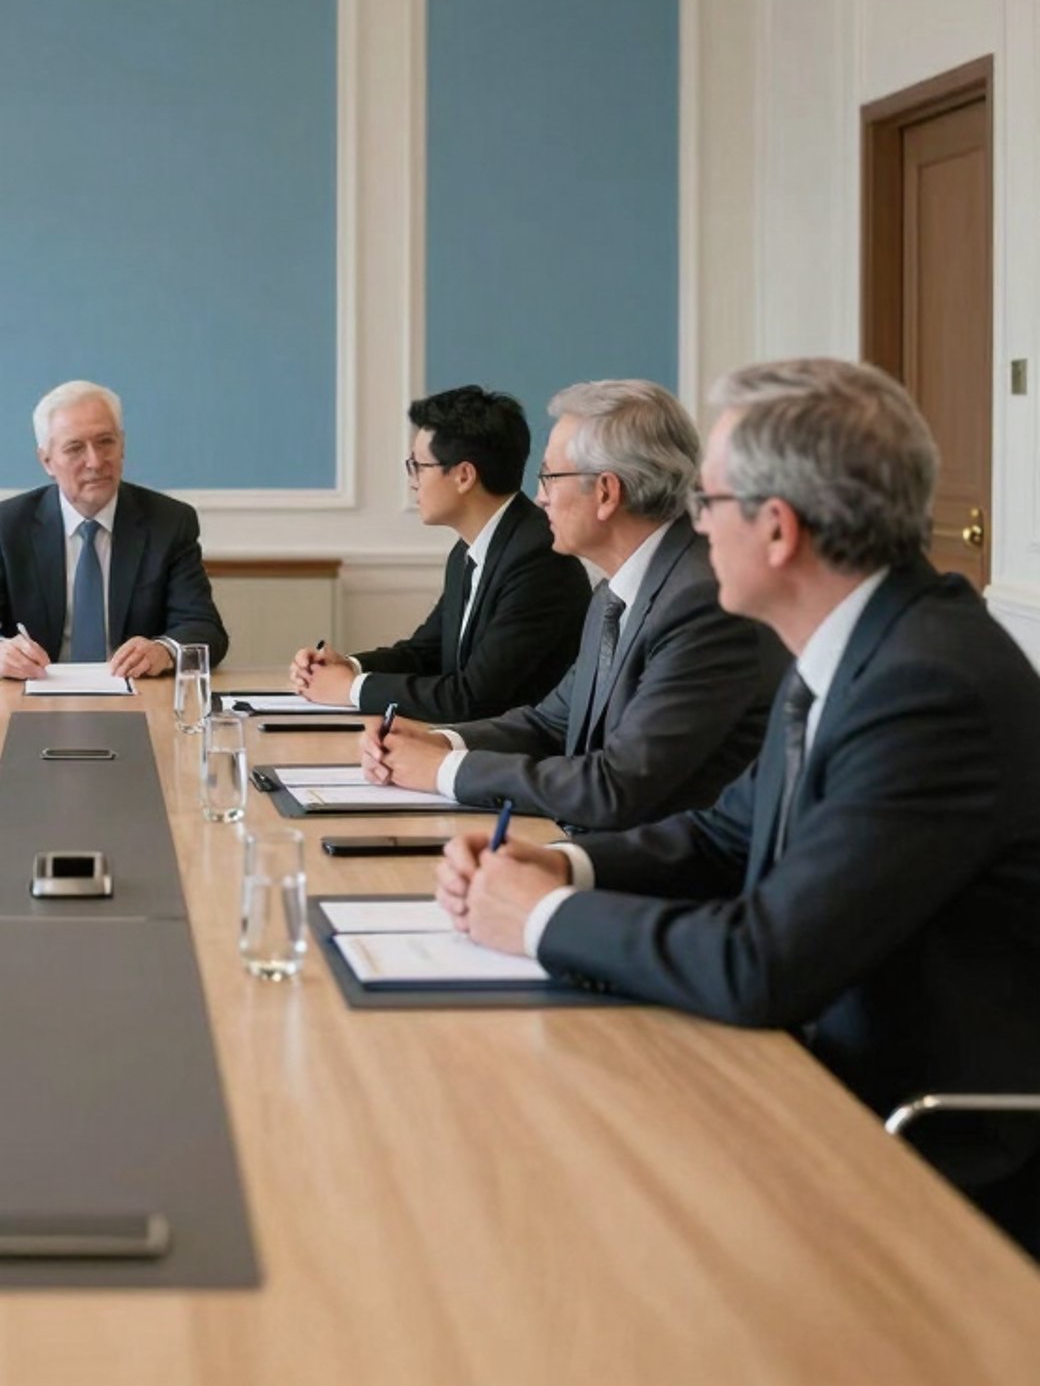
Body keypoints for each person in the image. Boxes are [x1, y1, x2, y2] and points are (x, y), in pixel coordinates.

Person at [439, 359, 1040, 1253]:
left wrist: (541, 918)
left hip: (915, 1154)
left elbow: (764, 963)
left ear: (778, 530)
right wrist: (562, 863)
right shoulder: (860, 642)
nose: (692, 525)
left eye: (708, 503)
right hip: (805, 1080)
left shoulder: (928, 687)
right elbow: (727, 833)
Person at [361, 379, 784, 829]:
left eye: (548, 476)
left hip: (659, 876)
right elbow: (551, 724)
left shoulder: (701, 603)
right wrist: (440, 742)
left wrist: (443, 772)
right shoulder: (614, 593)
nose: (539, 496)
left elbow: (616, 786)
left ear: (605, 492)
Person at [289, 384, 588, 720]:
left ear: (463, 475)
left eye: (419, 466)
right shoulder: (470, 549)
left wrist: (349, 689)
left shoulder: (538, 559)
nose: (413, 481)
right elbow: (424, 654)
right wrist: (348, 666)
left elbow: (472, 698)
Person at [0, 379, 227, 678]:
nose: (95, 461)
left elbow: (205, 629)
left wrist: (164, 651)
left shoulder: (169, 522)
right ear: (47, 460)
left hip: (140, 697)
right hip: (34, 700)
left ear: (122, 444)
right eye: (75, 448)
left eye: (105, 442)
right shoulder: (7, 526)